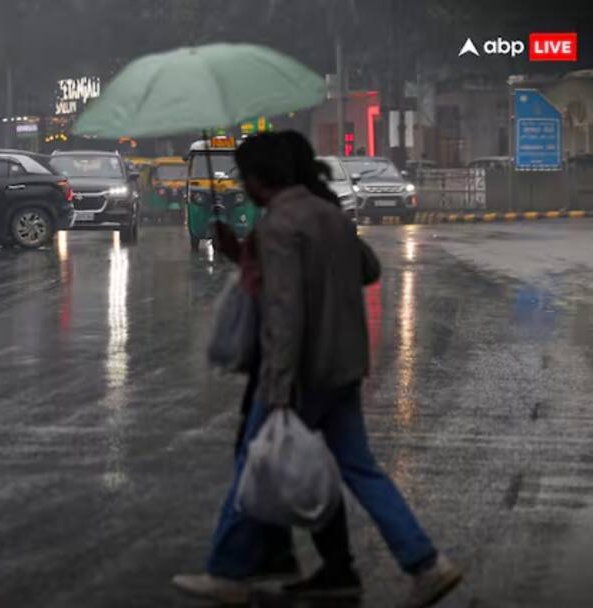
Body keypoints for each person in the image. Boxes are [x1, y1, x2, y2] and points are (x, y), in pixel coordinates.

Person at [175, 132, 462, 608]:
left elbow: (285, 311)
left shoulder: (280, 226)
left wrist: (279, 386)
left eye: (244, 176)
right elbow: (366, 268)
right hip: (344, 366)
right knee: (360, 467)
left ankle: (227, 572)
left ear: (262, 178)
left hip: (302, 373)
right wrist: (245, 251)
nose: (241, 186)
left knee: (254, 460)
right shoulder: (328, 214)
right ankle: (426, 564)